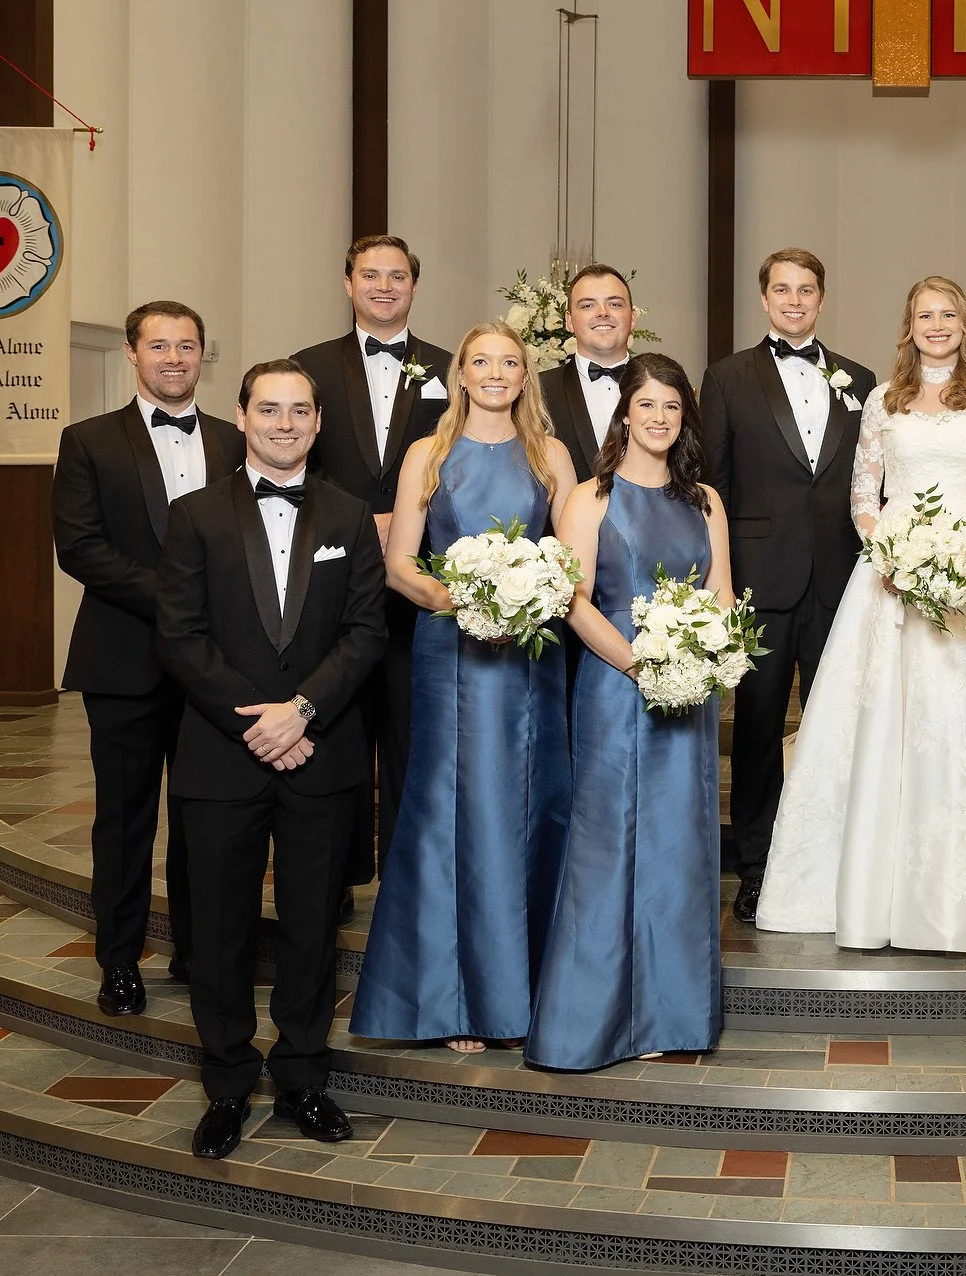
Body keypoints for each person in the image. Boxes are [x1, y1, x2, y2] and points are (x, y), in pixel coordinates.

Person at [757, 277, 966, 954]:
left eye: (948, 314)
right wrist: (895, 554)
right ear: (909, 326)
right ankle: (871, 891)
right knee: (885, 725)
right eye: (925, 315)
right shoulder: (882, 398)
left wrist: (956, 557)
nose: (937, 324)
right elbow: (862, 494)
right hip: (893, 581)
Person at [156, 359, 388, 1161]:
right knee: (217, 931)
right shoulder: (193, 516)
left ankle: (301, 1077)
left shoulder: (352, 516)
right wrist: (255, 722)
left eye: (299, 411)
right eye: (269, 409)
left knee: (310, 927)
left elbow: (366, 632)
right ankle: (226, 1084)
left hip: (322, 753)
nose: (284, 423)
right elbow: (180, 637)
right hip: (222, 756)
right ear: (243, 416)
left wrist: (303, 713)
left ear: (318, 423)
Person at [350, 323, 578, 1054]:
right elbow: (398, 564)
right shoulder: (430, 453)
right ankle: (453, 995)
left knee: (528, 804)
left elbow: (574, 560)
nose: (495, 373)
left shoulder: (551, 455)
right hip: (450, 655)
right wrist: (466, 602)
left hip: (531, 657)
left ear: (525, 376)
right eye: (481, 361)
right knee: (454, 809)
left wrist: (529, 601)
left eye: (510, 362)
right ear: (461, 373)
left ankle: (529, 985)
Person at [527, 353, 732, 1070]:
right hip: (616, 686)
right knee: (608, 843)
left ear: (685, 420)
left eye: (672, 407)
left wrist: (699, 659)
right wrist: (640, 664)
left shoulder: (705, 501)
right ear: (623, 413)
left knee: (679, 846)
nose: (659, 418)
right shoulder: (591, 498)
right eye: (646, 405)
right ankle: (598, 1020)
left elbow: (723, 600)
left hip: (688, 694)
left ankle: (671, 1015)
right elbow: (573, 601)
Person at [53, 301, 238, 1018]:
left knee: (205, 817)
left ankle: (198, 948)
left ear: (201, 355)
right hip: (123, 662)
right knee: (125, 820)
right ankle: (120, 959)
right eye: (159, 346)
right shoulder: (88, 441)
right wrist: (180, 598)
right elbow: (82, 549)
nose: (173, 358)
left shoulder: (233, 440)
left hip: (217, 669)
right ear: (132, 353)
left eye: (186, 346)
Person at [699, 247, 877, 924]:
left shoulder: (860, 380)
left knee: (840, 729)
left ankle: (837, 864)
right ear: (764, 298)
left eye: (807, 290)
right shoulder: (726, 378)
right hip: (759, 582)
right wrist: (720, 580)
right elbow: (711, 484)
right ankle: (757, 868)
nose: (795, 300)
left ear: (822, 299)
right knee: (757, 732)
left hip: (840, 579)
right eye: (782, 290)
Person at [293, 234, 452, 893]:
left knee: (416, 740)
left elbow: (470, 470)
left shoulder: (452, 367)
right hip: (337, 585)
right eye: (370, 275)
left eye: (397, 276)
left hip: (424, 589)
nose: (383, 286)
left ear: (414, 286)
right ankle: (336, 878)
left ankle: (411, 881)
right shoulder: (308, 367)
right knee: (337, 734)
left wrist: (413, 532)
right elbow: (295, 464)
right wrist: (363, 526)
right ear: (348, 284)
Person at [539, 263, 639, 481]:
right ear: (569, 321)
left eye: (614, 304)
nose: (602, 313)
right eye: (587, 306)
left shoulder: (661, 386)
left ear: (632, 318)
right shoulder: (538, 391)